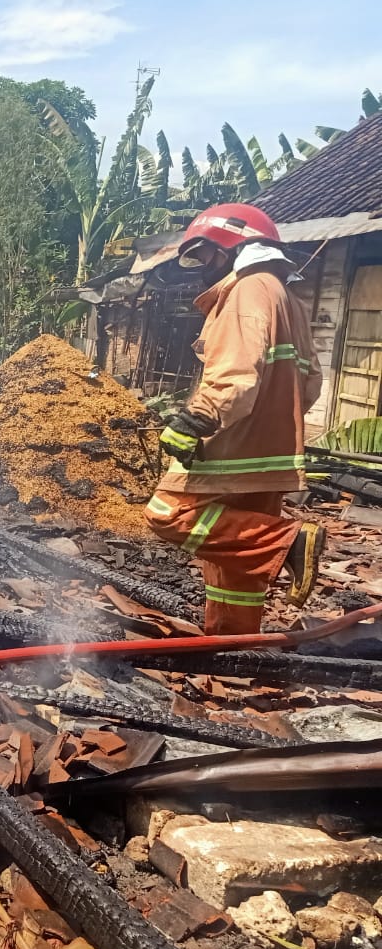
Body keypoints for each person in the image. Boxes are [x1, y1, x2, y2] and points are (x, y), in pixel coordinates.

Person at [143, 203, 325, 635]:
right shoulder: (286, 298)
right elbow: (312, 383)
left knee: (167, 512)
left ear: (230, 245)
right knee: (236, 565)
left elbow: (236, 373)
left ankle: (289, 540)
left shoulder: (246, 290)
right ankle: (233, 647)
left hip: (232, 447)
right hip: (268, 457)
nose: (203, 267)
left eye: (205, 255)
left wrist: (199, 417)